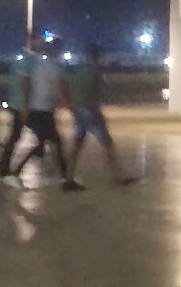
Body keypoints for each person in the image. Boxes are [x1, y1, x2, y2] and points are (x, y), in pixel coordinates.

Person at [13, 39, 75, 190]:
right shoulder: (52, 67)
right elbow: (59, 89)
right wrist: (70, 107)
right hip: (43, 110)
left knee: (48, 142)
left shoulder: (38, 64)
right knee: (52, 143)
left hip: (37, 108)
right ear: (57, 51)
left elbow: (27, 83)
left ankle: (65, 177)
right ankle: (65, 178)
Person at [67, 44, 130, 182]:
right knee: (107, 143)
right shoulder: (95, 71)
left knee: (77, 144)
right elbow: (95, 91)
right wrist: (97, 110)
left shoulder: (79, 72)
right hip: (90, 110)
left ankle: (69, 177)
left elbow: (73, 89)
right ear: (97, 57)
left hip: (79, 110)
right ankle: (118, 174)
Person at [0, 36, 38, 185]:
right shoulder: (29, 60)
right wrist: (25, 106)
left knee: (17, 137)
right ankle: (5, 172)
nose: (42, 45)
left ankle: (5, 171)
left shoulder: (20, 59)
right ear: (32, 41)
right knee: (19, 137)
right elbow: (25, 83)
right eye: (40, 41)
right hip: (22, 105)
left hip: (17, 104)